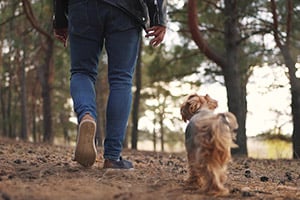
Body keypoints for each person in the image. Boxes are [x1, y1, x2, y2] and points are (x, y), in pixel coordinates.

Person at [53, 0, 167, 169]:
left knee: (82, 72)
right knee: (121, 79)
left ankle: (86, 116)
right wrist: (158, 17)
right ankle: (112, 157)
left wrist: (60, 19)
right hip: (126, 10)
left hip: (82, 8)